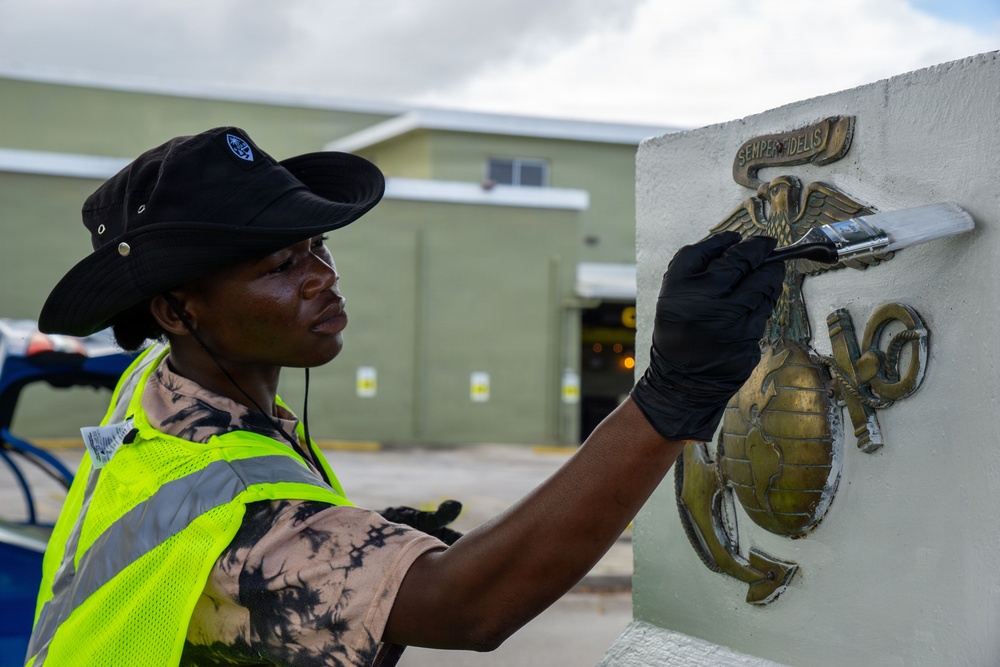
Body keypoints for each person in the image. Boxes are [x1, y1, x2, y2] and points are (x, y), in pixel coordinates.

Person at [25, 126, 784, 666]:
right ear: (176, 310)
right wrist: (672, 397)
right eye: (282, 262)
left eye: (319, 246)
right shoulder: (240, 510)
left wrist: (357, 541)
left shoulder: (152, 391)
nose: (323, 275)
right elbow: (468, 607)